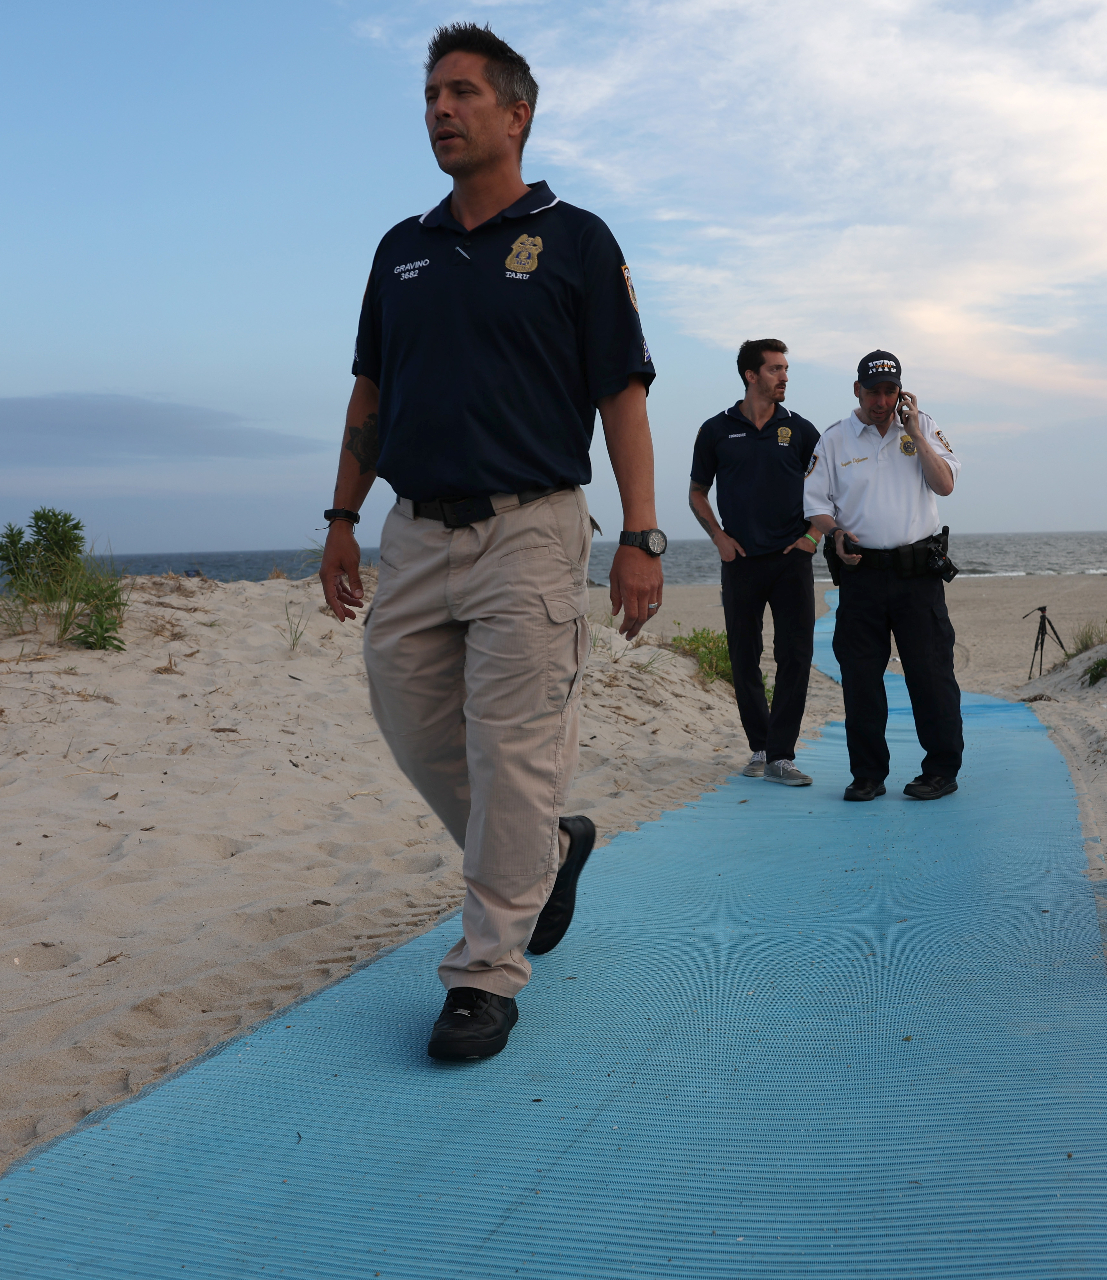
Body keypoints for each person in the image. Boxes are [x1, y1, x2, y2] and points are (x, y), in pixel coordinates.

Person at [318, 23, 666, 1062]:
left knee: (509, 749)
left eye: (463, 93)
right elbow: (369, 394)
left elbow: (623, 397)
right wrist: (340, 518)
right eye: (432, 95)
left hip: (532, 529)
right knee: (413, 718)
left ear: (516, 114)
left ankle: (483, 974)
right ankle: (548, 852)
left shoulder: (576, 240)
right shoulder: (402, 249)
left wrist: (642, 535)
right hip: (414, 530)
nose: (440, 109)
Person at [803, 350, 964, 802]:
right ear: (857, 390)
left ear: (900, 391)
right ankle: (868, 775)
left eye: (890, 390)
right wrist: (834, 533)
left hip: (918, 576)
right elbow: (814, 503)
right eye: (873, 391)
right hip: (862, 577)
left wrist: (914, 433)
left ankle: (940, 770)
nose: (882, 400)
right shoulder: (834, 440)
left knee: (930, 676)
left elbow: (945, 485)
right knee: (860, 678)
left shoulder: (923, 426)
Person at [688, 340, 822, 787]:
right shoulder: (716, 430)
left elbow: (830, 489)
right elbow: (697, 492)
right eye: (775, 369)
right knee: (744, 657)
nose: (784, 377)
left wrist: (812, 536)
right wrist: (718, 537)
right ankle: (760, 748)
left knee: (795, 656)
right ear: (751, 375)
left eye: (786, 369)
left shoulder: (801, 430)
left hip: (791, 561)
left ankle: (782, 756)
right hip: (741, 560)